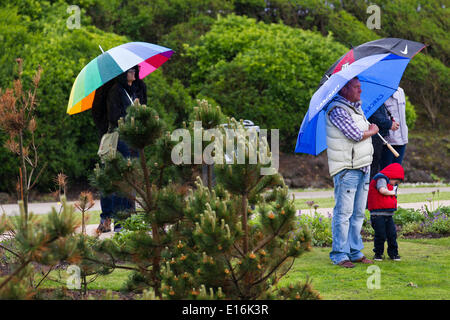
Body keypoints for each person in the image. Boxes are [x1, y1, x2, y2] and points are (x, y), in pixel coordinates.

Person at [325, 77, 378, 268]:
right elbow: (355, 135)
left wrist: (369, 129)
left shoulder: (357, 108)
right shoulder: (337, 109)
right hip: (347, 169)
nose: (360, 91)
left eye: (360, 87)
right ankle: (340, 255)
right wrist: (372, 131)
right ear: (344, 89)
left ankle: (355, 252)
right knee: (344, 214)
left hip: (362, 167)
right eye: (356, 87)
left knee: (357, 215)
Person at [97, 66, 146, 233]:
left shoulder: (139, 88)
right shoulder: (114, 90)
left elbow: (144, 111)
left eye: (135, 69)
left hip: (135, 137)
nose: (133, 72)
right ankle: (116, 220)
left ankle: (127, 218)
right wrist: (130, 116)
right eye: (130, 70)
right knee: (117, 177)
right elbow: (111, 116)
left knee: (131, 177)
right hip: (118, 138)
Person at [367, 163, 404, 261]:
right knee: (380, 235)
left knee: (392, 234)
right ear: (392, 175)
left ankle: (393, 254)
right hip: (378, 215)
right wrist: (393, 192)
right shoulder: (381, 179)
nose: (393, 184)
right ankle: (378, 254)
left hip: (388, 215)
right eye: (395, 181)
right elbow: (382, 190)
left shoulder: (389, 182)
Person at [368, 104, 399, 180]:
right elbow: (374, 114)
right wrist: (389, 124)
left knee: (375, 167)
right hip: (375, 136)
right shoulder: (370, 97)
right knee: (373, 168)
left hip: (379, 136)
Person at [380, 87, 408, 168]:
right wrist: (389, 124)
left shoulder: (400, 91)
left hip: (402, 140)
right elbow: (377, 117)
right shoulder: (381, 92)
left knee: (396, 174)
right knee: (386, 173)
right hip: (387, 141)